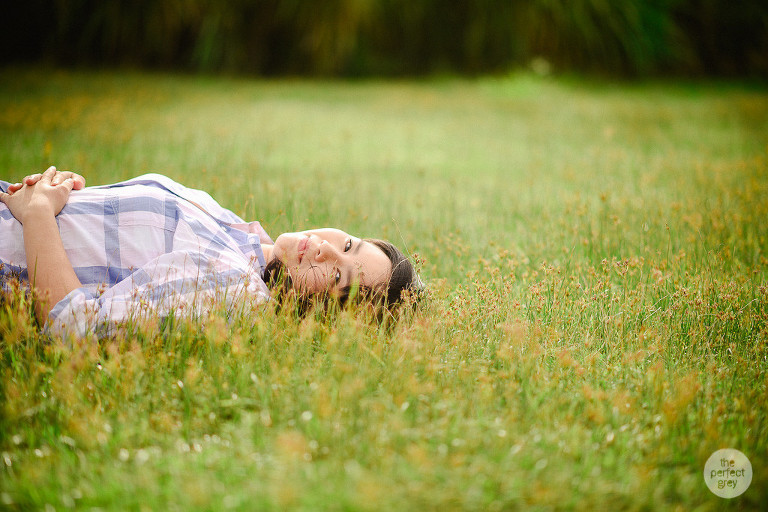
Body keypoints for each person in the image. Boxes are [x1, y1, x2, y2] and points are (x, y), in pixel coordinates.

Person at [0, 167, 421, 338]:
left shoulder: (236, 291)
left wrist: (39, 215)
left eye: (337, 277)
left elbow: (75, 326)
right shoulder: (238, 233)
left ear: (318, 316)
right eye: (349, 244)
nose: (328, 250)